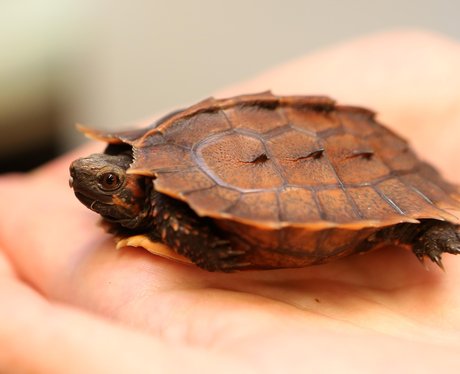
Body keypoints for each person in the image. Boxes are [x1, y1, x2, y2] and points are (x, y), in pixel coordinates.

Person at [1, 30, 460, 373]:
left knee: (415, 226)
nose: (86, 179)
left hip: (358, 175)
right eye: (105, 177)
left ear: (141, 191)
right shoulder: (149, 165)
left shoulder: (167, 209)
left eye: (107, 181)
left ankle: (424, 227)